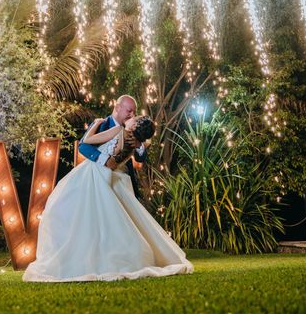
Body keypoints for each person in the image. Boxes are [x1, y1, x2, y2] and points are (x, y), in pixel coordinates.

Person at [22, 112, 193, 282]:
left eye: (135, 117)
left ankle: (79, 258)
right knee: (102, 221)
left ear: (134, 125)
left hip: (93, 174)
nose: (131, 117)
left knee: (66, 212)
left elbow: (86, 141)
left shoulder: (119, 130)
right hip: (109, 176)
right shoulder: (134, 144)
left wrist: (95, 124)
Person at [79, 95, 146, 196]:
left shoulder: (132, 128)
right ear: (118, 108)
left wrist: (139, 145)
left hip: (124, 182)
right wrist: (104, 159)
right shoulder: (101, 123)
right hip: (100, 181)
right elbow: (83, 146)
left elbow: (140, 159)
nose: (132, 115)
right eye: (129, 111)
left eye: (134, 112)